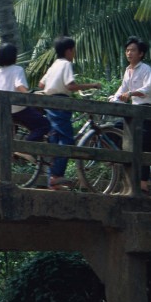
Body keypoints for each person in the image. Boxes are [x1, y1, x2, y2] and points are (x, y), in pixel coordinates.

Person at [39, 36, 102, 190]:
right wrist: (92, 85)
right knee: (67, 140)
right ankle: (57, 176)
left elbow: (41, 84)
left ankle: (52, 181)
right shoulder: (67, 64)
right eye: (73, 50)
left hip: (49, 103)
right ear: (69, 50)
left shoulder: (54, 65)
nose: (74, 53)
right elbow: (70, 85)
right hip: (61, 103)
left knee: (56, 139)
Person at [109, 36, 151, 194]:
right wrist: (113, 100)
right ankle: (117, 160)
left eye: (133, 50)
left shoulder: (146, 69)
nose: (129, 53)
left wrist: (131, 93)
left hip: (147, 111)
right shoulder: (128, 70)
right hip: (134, 112)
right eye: (127, 50)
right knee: (114, 129)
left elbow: (149, 88)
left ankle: (143, 184)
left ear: (141, 53)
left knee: (144, 146)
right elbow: (122, 90)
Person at [0, 43, 50, 141]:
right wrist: (29, 97)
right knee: (44, 125)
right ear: (13, 56)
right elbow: (19, 85)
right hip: (18, 109)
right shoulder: (17, 69)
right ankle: (25, 149)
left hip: (3, 110)